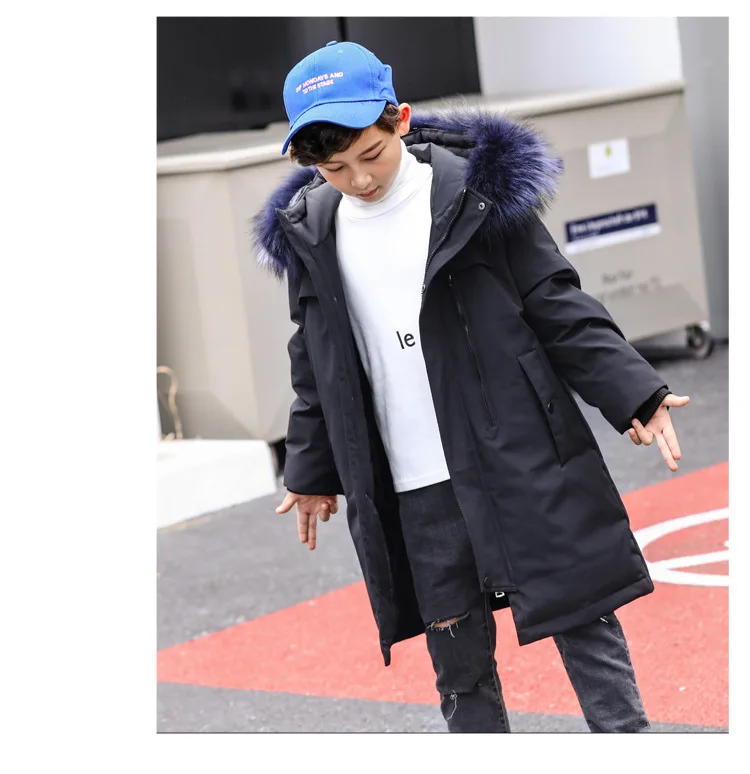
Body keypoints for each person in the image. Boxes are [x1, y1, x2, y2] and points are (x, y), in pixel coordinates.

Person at [253, 40, 690, 733]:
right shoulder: (313, 231)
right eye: (334, 169)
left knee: (583, 620)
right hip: (414, 480)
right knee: (459, 665)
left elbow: (555, 301)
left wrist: (634, 392)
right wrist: (310, 471)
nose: (359, 179)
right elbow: (315, 359)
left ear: (400, 118)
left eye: (371, 154)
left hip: (519, 453)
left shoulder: (472, 195)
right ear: (306, 165)